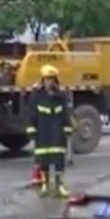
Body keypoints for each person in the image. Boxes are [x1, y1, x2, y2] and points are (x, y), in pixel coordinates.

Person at [26, 64, 72, 197]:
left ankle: (59, 185)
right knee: (43, 159)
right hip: (43, 134)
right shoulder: (36, 96)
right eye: (46, 79)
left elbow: (65, 114)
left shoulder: (60, 96)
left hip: (57, 134)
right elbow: (31, 115)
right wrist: (31, 130)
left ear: (55, 81)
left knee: (58, 160)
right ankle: (45, 184)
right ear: (42, 80)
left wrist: (67, 128)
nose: (49, 82)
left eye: (51, 79)